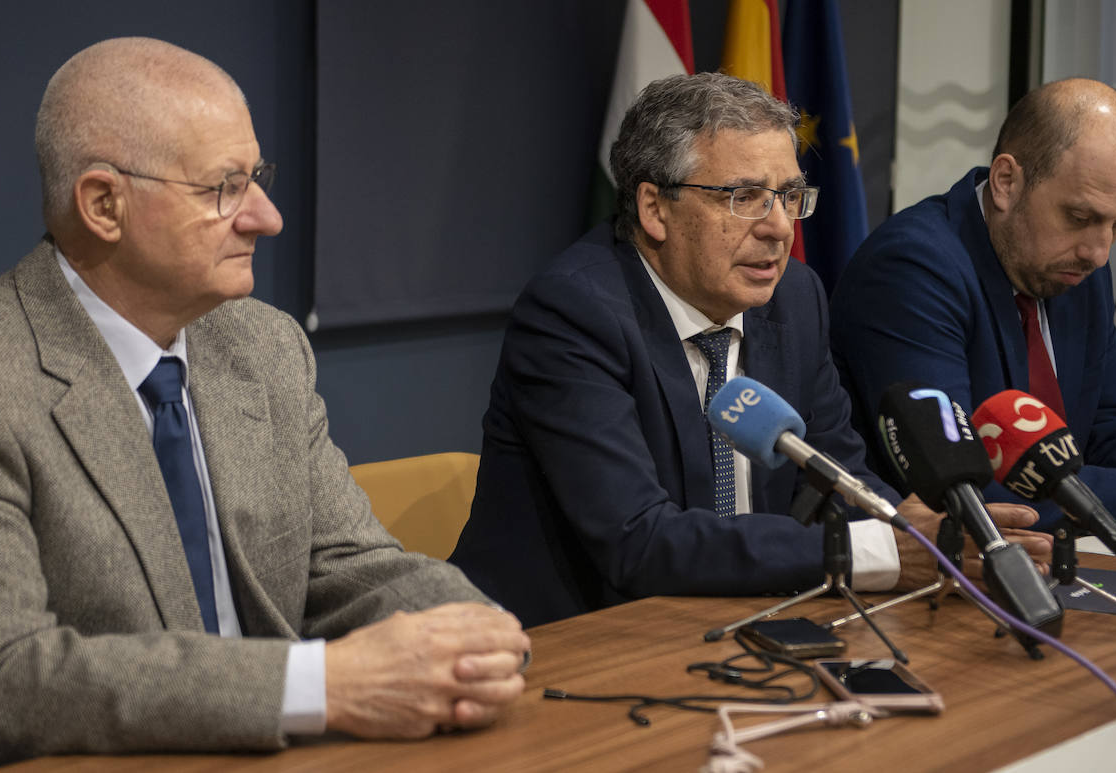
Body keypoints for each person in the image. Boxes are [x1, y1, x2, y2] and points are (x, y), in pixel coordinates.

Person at [0, 38, 528, 771]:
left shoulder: (264, 346)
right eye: (224, 187)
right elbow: (3, 679)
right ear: (104, 204)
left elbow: (348, 563)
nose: (265, 216)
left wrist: (473, 633)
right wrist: (323, 685)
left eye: (257, 177)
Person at [449, 72, 1049, 628]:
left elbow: (841, 477)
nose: (780, 227)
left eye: (789, 195)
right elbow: (638, 541)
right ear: (654, 208)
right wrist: (880, 552)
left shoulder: (796, 298)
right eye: (743, 197)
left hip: (735, 625)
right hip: (565, 642)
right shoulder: (573, 315)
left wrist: (930, 538)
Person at [830, 77, 1116, 538]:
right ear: (1007, 181)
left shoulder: (1074, 263)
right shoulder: (912, 268)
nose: (1099, 252)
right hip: (929, 580)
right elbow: (962, 484)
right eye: (1081, 217)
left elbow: (1112, 430)